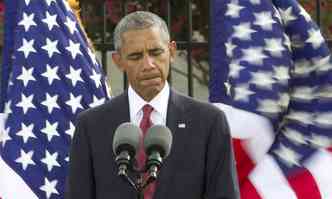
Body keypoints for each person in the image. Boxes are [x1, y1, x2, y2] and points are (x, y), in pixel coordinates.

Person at [65, 11, 239, 199]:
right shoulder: (91, 125)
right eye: (136, 56)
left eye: (156, 52)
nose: (148, 64)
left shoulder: (209, 122)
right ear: (118, 61)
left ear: (171, 52)